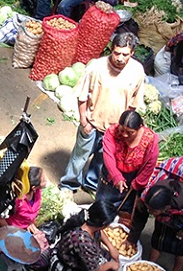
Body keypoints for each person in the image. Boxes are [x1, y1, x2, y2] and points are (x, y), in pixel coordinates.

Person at [61, 33, 144, 193]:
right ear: (111, 50)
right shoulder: (96, 67)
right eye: (117, 53)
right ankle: (69, 185)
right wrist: (84, 121)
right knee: (79, 158)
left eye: (125, 54)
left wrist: (124, 130)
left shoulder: (137, 71)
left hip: (115, 131)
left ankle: (91, 184)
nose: (120, 58)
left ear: (132, 53)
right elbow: (82, 95)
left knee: (102, 160)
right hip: (92, 124)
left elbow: (133, 104)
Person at [49, 200, 126, 271]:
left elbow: (100, 232)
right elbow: (95, 270)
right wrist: (110, 265)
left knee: (113, 269)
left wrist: (111, 247)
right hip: (69, 267)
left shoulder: (88, 220)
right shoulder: (83, 242)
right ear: (103, 224)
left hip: (80, 256)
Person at [96, 109, 159, 212]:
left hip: (133, 177)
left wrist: (138, 183)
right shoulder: (112, 132)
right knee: (102, 206)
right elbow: (108, 156)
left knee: (125, 209)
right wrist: (116, 176)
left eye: (130, 133)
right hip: (111, 173)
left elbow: (150, 164)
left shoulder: (150, 139)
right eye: (122, 130)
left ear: (139, 128)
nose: (124, 135)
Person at [0, 166, 45, 234]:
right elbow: (0, 219)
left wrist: (30, 223)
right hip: (10, 229)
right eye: (44, 180)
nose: (46, 181)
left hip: (24, 227)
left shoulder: (37, 192)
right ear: (34, 187)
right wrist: (12, 234)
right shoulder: (17, 199)